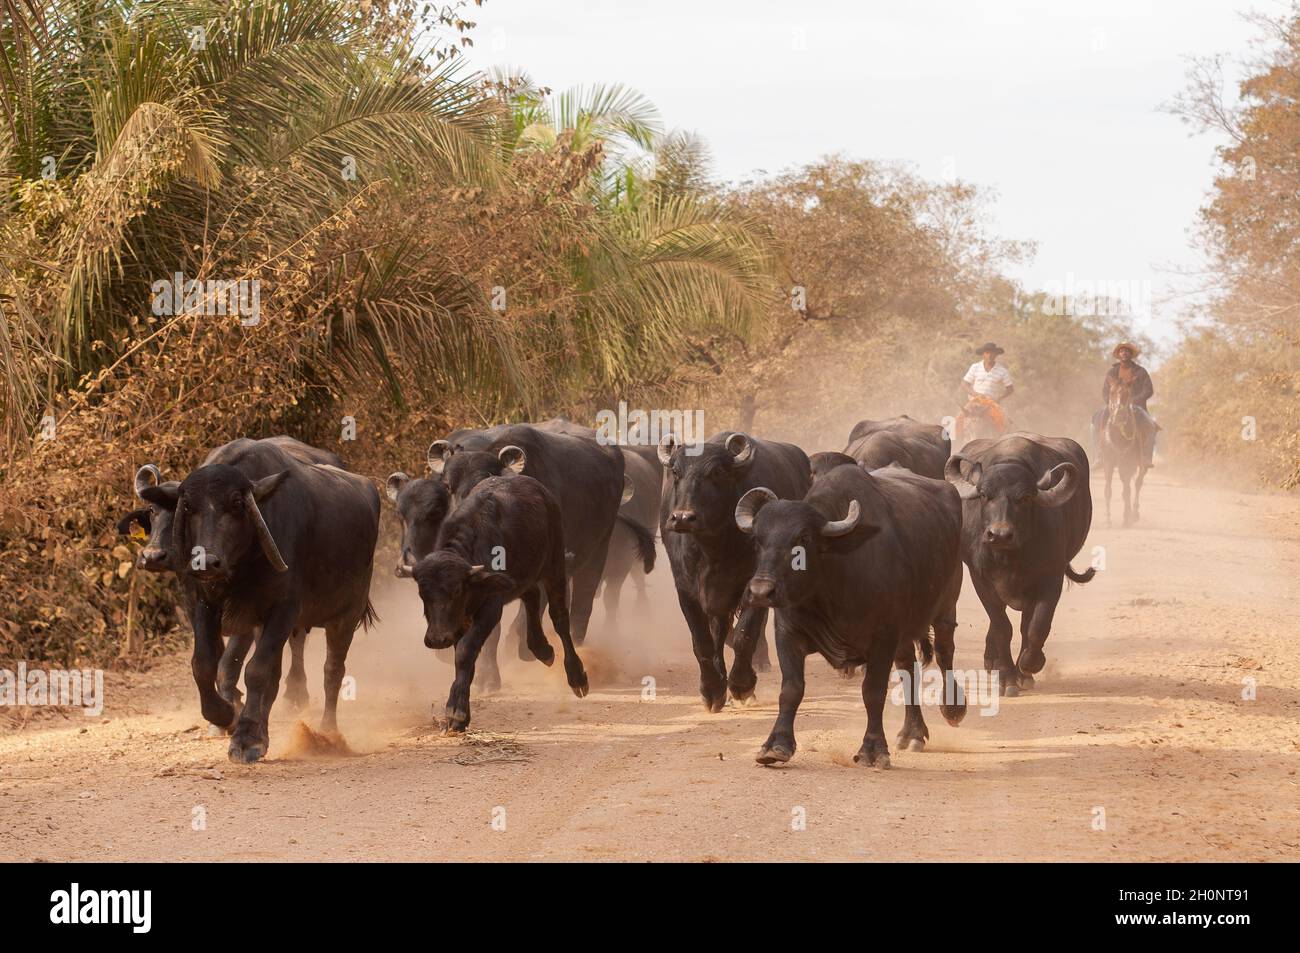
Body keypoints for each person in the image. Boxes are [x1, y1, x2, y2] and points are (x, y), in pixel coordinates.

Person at [1094, 342, 1157, 467]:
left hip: (1136, 406)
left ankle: (1145, 458)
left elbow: (1148, 390)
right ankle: (1099, 456)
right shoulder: (1112, 372)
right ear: (1118, 354)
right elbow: (1105, 391)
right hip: (1114, 406)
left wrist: (1135, 400)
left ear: (1131, 354)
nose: (1124, 353)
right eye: (1122, 351)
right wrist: (1111, 402)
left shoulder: (1140, 371)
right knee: (1095, 421)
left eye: (1127, 351)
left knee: (1151, 426)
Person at [960, 343, 1013, 434]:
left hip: (991, 403)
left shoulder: (1002, 370)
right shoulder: (975, 367)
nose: (990, 355)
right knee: (959, 420)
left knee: (1003, 422)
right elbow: (964, 384)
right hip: (974, 402)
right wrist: (975, 394)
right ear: (983, 354)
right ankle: (956, 443)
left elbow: (1010, 388)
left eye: (993, 353)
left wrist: (998, 398)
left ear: (996, 355)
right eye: (988, 352)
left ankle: (1002, 442)